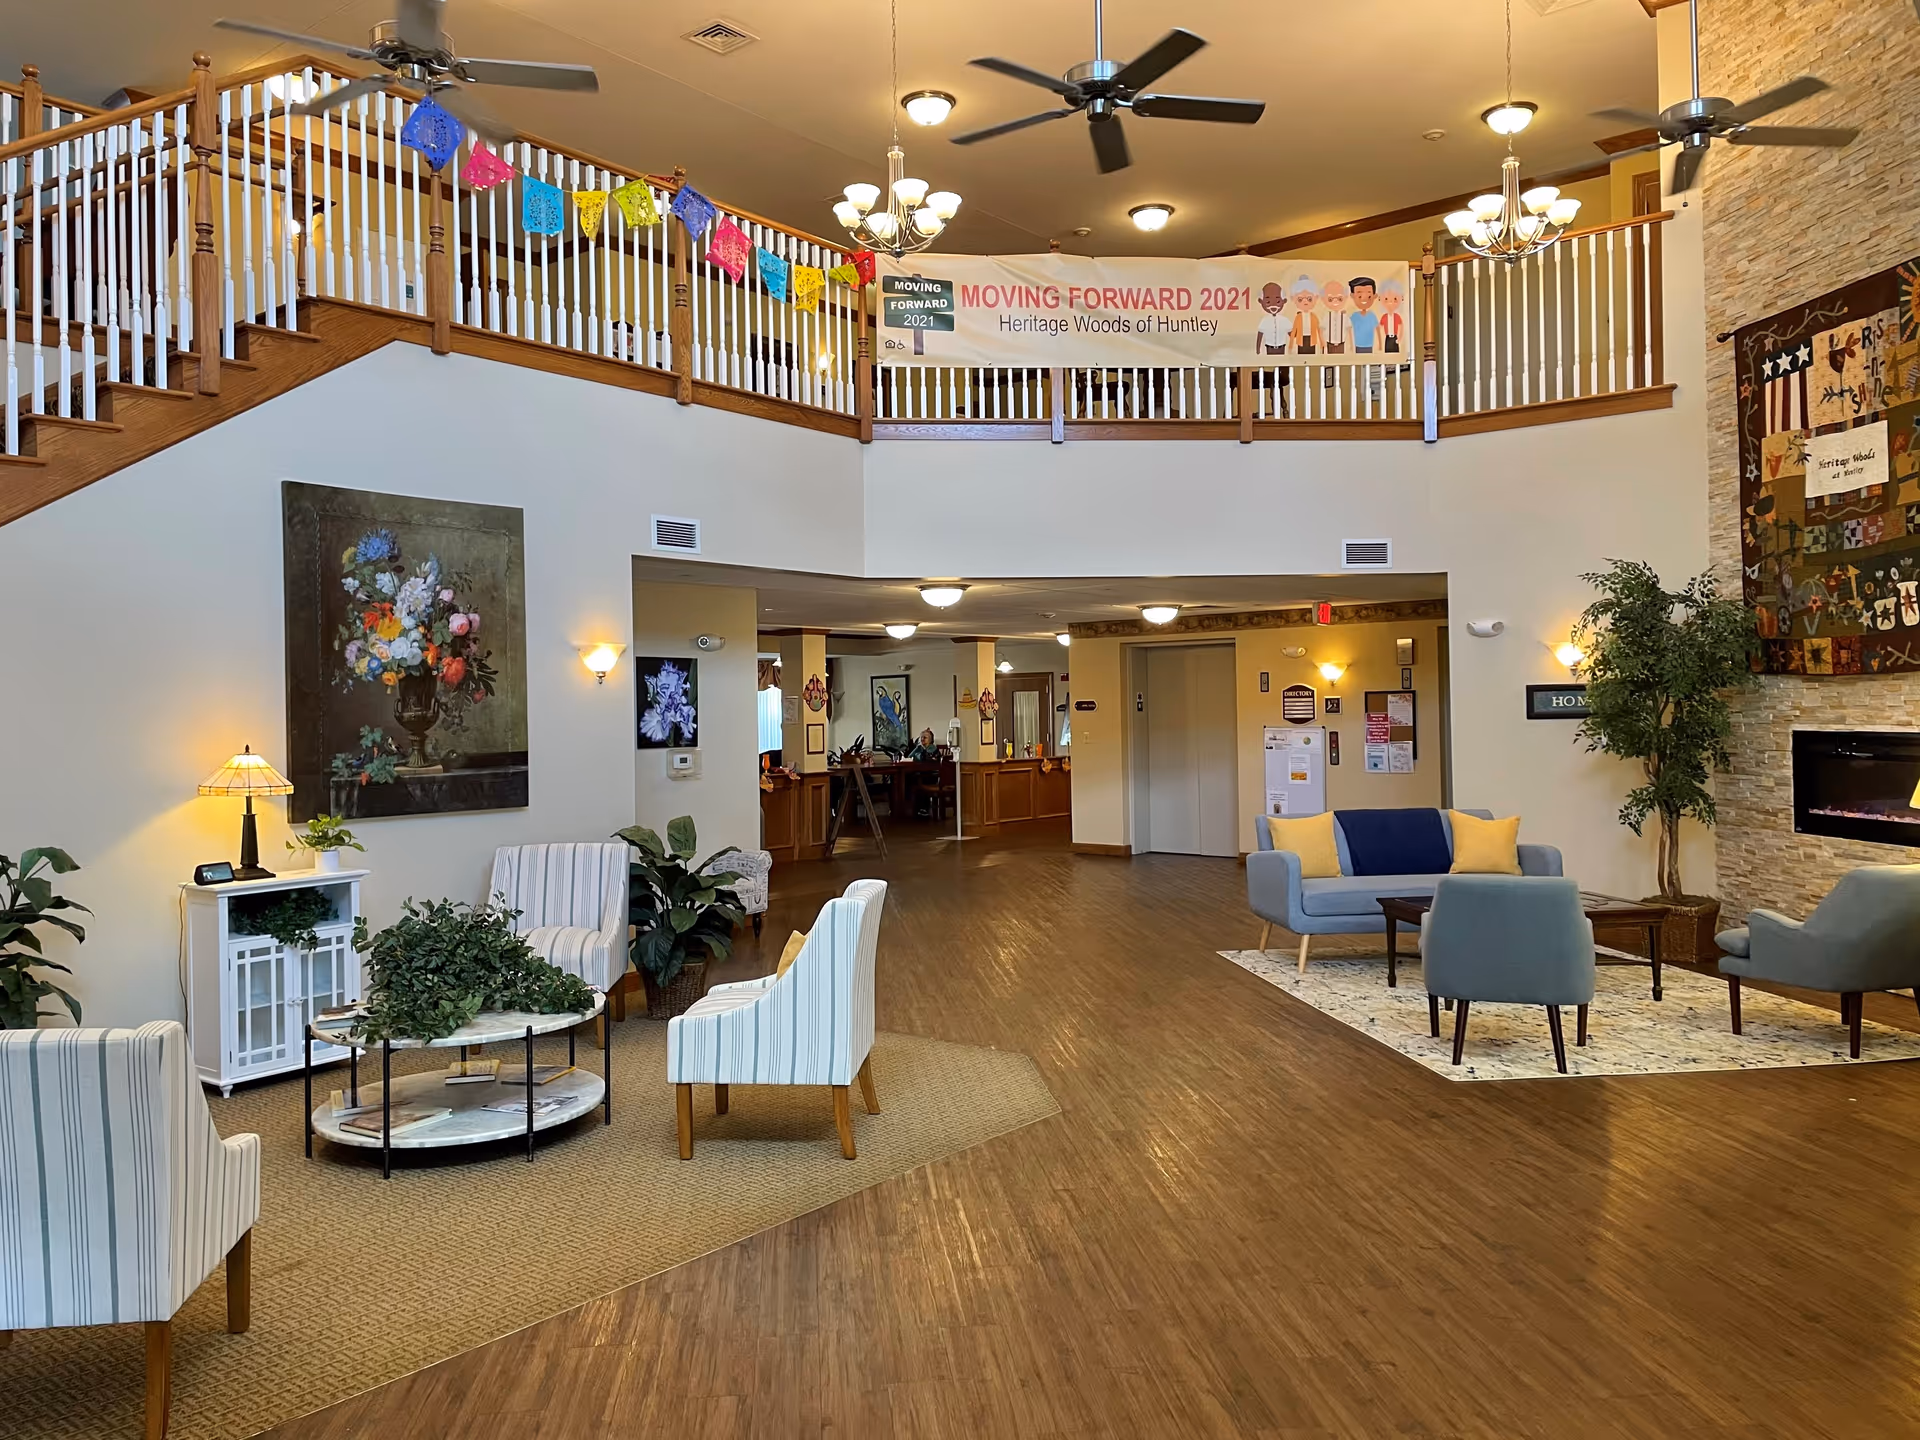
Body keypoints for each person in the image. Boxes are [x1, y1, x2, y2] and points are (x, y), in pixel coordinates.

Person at [1288, 276, 1320, 355]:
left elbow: (1319, 330)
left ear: (1316, 298)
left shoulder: (1314, 317)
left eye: (1309, 299)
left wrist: (1323, 345)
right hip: (1301, 341)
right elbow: (1294, 331)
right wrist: (1290, 345)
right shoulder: (1298, 317)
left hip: (1312, 341)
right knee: (1301, 357)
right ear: (1294, 299)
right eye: (1300, 299)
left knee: (1311, 357)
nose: (1305, 302)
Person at [1255, 282, 1289, 355]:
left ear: (1284, 301)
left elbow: (1292, 335)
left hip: (1282, 348)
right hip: (1269, 348)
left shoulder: (1284, 320)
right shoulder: (1264, 320)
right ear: (1261, 301)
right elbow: (1260, 335)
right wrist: (1258, 350)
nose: (1273, 305)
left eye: (1278, 301)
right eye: (1268, 302)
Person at [1347, 277, 1379, 354]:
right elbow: (1349, 329)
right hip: (1357, 345)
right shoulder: (1354, 316)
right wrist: (1350, 344)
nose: (1364, 300)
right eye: (1359, 296)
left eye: (1369, 296)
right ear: (1352, 295)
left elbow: (1377, 329)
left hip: (1369, 345)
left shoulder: (1372, 316)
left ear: (1374, 296)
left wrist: (1380, 345)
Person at [1320, 279, 1348, 356]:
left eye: (1339, 299)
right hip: (1329, 344)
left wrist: (1351, 346)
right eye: (1330, 299)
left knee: (1340, 361)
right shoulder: (1327, 316)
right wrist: (1323, 344)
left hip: (1341, 344)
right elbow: (1321, 330)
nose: (1335, 301)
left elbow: (1349, 330)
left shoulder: (1344, 316)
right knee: (1330, 362)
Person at [1378, 278, 1406, 354]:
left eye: (1395, 299)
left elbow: (1401, 327)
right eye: (1386, 299)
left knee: (1395, 353)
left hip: (1395, 338)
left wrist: (1399, 338)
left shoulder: (1397, 317)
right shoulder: (1384, 317)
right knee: (1387, 354)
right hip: (1387, 338)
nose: (1390, 302)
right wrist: (1380, 341)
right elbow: (1379, 328)